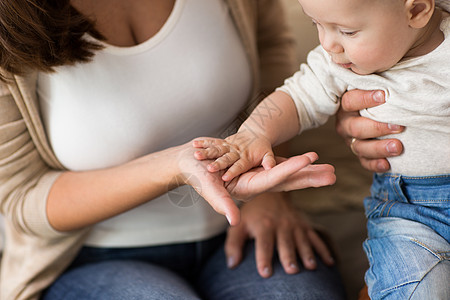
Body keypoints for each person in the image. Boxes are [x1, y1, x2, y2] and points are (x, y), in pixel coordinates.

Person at [0, 0, 395, 299]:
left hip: (246, 229)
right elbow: (21, 199)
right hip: (95, 258)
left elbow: (271, 53)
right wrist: (174, 165)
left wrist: (267, 192)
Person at [193, 0, 450, 299]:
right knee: (418, 289)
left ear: (417, 10)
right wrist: (253, 134)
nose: (328, 44)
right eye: (317, 24)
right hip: (408, 212)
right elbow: (297, 98)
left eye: (347, 31)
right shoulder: (337, 64)